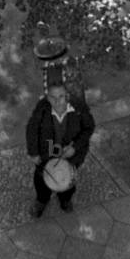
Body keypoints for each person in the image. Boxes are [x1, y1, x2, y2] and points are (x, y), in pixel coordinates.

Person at [25, 80, 96, 218]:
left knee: (68, 182)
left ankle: (65, 200)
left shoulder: (79, 108)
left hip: (70, 155)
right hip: (47, 152)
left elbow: (89, 128)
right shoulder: (43, 107)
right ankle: (42, 201)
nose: (57, 101)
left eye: (61, 96)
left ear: (66, 95)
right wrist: (33, 152)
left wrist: (75, 147)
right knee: (41, 180)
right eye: (53, 97)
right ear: (47, 97)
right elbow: (32, 129)